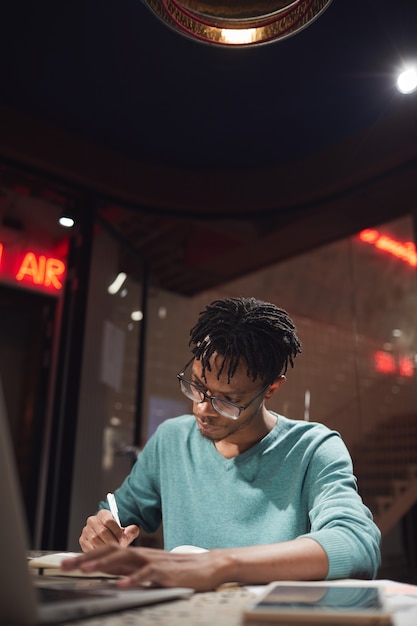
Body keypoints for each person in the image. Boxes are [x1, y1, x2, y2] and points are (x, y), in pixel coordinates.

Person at [62, 297, 381, 590]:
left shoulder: (313, 449)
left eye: (227, 401)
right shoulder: (172, 440)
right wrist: (102, 530)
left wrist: (221, 564)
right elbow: (119, 515)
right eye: (197, 387)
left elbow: (355, 543)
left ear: (271, 389)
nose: (202, 409)